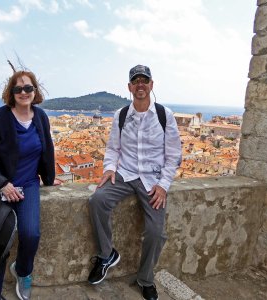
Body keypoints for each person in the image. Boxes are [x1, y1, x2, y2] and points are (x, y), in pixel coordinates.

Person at [87, 65, 182, 300]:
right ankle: (106, 254)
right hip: (125, 174)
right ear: (130, 87)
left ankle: (145, 279)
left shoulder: (164, 115)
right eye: (135, 81)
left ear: (151, 85)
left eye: (144, 80)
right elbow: (113, 148)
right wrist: (109, 169)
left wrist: (163, 185)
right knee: (97, 200)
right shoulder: (120, 115)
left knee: (155, 232)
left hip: (152, 179)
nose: (140, 84)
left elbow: (174, 155)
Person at [0, 68, 60, 300]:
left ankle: (23, 271)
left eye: (28, 87)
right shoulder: (0, 117)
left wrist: (50, 179)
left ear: (35, 90)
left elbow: (47, 149)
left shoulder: (41, 117)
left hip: (29, 185)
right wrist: (2, 183)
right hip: (1, 187)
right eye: (18, 88)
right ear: (11, 93)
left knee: (31, 234)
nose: (23, 92)